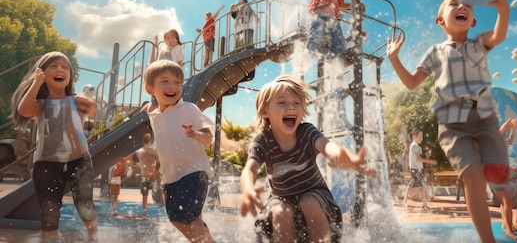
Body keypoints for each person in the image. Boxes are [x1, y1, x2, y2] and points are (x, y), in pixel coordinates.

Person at [386, 0, 511, 243]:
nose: (461, 6)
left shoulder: (480, 43)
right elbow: (411, 83)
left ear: (473, 21)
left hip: (486, 120)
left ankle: (502, 192)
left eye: (467, 5)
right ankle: (489, 240)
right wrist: (395, 59)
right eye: (454, 3)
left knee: (500, 175)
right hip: (453, 125)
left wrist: (502, 9)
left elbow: (498, 35)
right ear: (440, 19)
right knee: (474, 178)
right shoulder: (435, 52)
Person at [238, 74, 376, 243]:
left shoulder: (306, 132)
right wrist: (248, 189)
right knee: (281, 211)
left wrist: (343, 156)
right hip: (281, 197)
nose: (291, 107)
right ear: (265, 110)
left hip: (315, 193)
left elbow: (327, 146)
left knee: (309, 202)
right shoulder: (263, 140)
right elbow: (249, 170)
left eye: (297, 102)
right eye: (282, 102)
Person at [10, 51, 99, 242]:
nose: (60, 69)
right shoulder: (40, 105)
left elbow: (93, 109)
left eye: (65, 67)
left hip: (79, 159)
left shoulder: (76, 101)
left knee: (85, 206)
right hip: (47, 164)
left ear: (69, 76)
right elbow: (23, 110)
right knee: (49, 211)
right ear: (42, 73)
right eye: (54, 66)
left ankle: (93, 236)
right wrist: (36, 83)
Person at [143, 59, 217, 242]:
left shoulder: (188, 109)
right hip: (170, 179)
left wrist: (197, 133)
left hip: (194, 172)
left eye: (177, 82)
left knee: (180, 217)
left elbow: (209, 138)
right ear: (150, 89)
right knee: (188, 219)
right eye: (165, 81)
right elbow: (150, 108)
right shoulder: (153, 114)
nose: (172, 86)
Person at [491, 118, 517, 240]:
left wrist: (512, 128)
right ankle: (508, 228)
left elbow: (510, 138)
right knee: (506, 202)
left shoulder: (505, 144)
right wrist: (506, 125)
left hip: (511, 176)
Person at [402, 129, 436, 211]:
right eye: (419, 136)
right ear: (414, 137)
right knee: (420, 187)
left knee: (412, 186)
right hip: (415, 170)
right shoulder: (414, 146)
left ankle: (405, 202)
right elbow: (418, 158)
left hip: (417, 170)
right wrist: (429, 161)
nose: (421, 138)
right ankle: (424, 204)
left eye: (422, 136)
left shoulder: (417, 146)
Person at [134, 132, 164, 215]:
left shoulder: (139, 152)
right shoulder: (154, 151)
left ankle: (144, 211)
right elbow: (159, 162)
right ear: (151, 140)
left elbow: (134, 160)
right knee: (160, 192)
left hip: (145, 175)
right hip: (154, 175)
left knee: (145, 194)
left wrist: (140, 166)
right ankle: (164, 210)